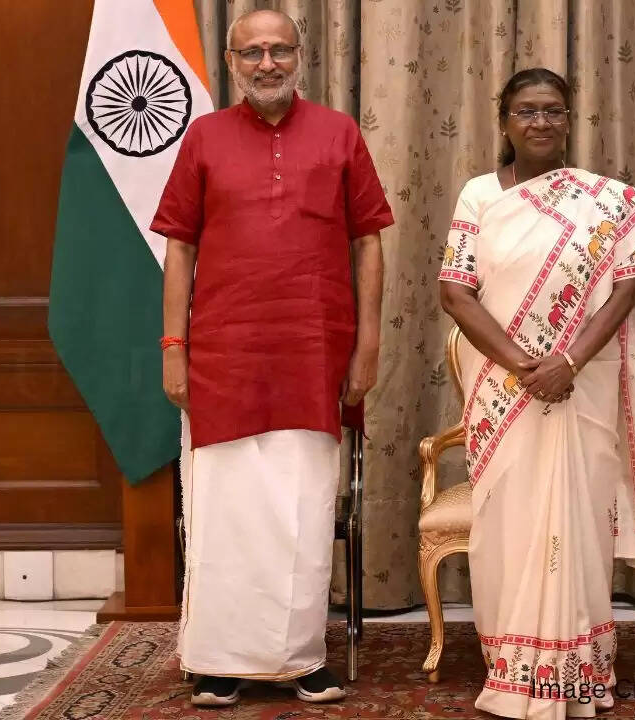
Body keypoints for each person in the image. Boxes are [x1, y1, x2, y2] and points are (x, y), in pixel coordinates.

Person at [151, 9, 394, 707]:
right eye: (252, 52)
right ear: (231, 62)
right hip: (223, 355)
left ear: (300, 55)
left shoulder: (339, 132)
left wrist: (367, 345)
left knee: (303, 509)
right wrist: (173, 346)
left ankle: (299, 657)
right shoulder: (204, 138)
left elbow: (369, 241)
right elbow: (180, 248)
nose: (267, 63)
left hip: (316, 354)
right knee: (225, 511)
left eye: (279, 50)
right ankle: (220, 662)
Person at [439, 68, 635, 719]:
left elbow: (626, 289)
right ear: (505, 120)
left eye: (553, 111)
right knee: (509, 527)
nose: (540, 122)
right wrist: (525, 366)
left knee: (578, 526)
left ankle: (577, 669)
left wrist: (567, 361)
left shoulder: (605, 203)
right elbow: (455, 291)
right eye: (526, 111)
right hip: (504, 392)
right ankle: (514, 668)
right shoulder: (479, 196)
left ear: (570, 119)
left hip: (582, 388)